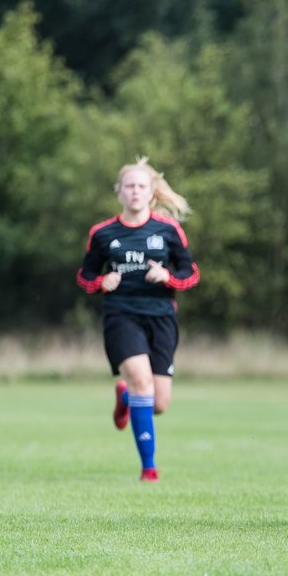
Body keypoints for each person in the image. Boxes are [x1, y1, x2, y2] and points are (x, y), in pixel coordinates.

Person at [77, 158, 200, 482]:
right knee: (143, 382)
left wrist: (168, 277)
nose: (135, 191)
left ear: (151, 192)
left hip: (161, 319)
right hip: (121, 316)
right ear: (119, 192)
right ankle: (149, 469)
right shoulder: (102, 233)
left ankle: (126, 398)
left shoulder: (168, 230)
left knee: (158, 403)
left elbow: (191, 273)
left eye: (141, 186)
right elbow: (85, 275)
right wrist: (100, 283)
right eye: (129, 186)